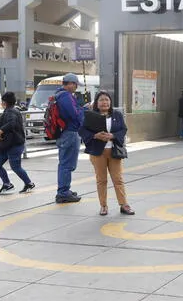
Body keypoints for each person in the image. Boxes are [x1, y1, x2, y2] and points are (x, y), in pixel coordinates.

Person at [79, 91, 134, 216]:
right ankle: (103, 206)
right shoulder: (91, 115)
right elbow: (82, 130)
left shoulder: (117, 115)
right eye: (101, 100)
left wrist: (113, 135)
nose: (104, 102)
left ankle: (124, 204)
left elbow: (123, 129)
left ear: (110, 102)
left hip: (114, 151)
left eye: (107, 100)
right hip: (98, 152)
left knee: (118, 179)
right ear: (96, 103)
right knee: (101, 180)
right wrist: (94, 135)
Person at [0, 92, 35, 194]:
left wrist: (0, 131)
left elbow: (11, 124)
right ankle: (7, 184)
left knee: (15, 167)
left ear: (4, 102)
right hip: (7, 145)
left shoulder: (12, 112)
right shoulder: (8, 111)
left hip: (15, 145)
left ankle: (29, 183)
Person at [55, 73, 84, 204]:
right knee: (67, 164)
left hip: (65, 133)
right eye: (75, 84)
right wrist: (83, 110)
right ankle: (63, 192)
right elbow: (74, 114)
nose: (76, 87)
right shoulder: (66, 96)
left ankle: (64, 190)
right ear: (70, 84)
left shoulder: (59, 95)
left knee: (64, 163)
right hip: (70, 133)